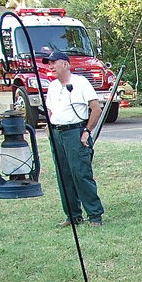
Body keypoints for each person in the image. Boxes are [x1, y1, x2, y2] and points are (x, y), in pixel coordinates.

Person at [44, 50, 105, 226]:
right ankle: (72, 216)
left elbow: (96, 109)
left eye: (53, 63)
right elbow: (50, 111)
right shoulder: (53, 86)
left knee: (80, 174)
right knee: (64, 175)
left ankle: (95, 215)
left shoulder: (81, 82)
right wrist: (49, 130)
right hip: (57, 134)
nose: (51, 66)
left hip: (75, 133)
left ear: (65, 64)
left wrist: (86, 131)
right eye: (49, 63)